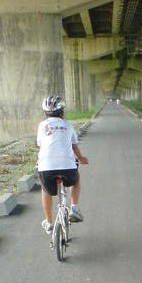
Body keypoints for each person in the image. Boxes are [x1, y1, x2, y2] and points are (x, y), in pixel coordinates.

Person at [37, 95, 89, 234]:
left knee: (45, 190)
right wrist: (81, 158)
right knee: (76, 181)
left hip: (46, 168)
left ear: (45, 113)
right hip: (67, 167)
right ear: (62, 112)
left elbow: (41, 145)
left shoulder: (42, 125)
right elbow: (74, 147)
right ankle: (73, 208)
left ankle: (48, 222)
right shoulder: (68, 125)